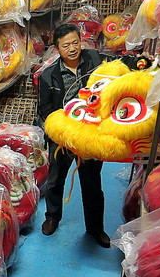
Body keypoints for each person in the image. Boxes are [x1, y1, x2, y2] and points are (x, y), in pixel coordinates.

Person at [37, 23, 110, 248]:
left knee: (92, 183)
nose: (72, 49)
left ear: (81, 41)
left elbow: (116, 75)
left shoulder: (95, 61)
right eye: (66, 45)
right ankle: (52, 218)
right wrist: (60, 129)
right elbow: (44, 110)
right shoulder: (48, 76)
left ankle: (96, 228)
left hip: (90, 134)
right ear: (57, 50)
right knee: (56, 179)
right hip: (63, 136)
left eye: (75, 43)